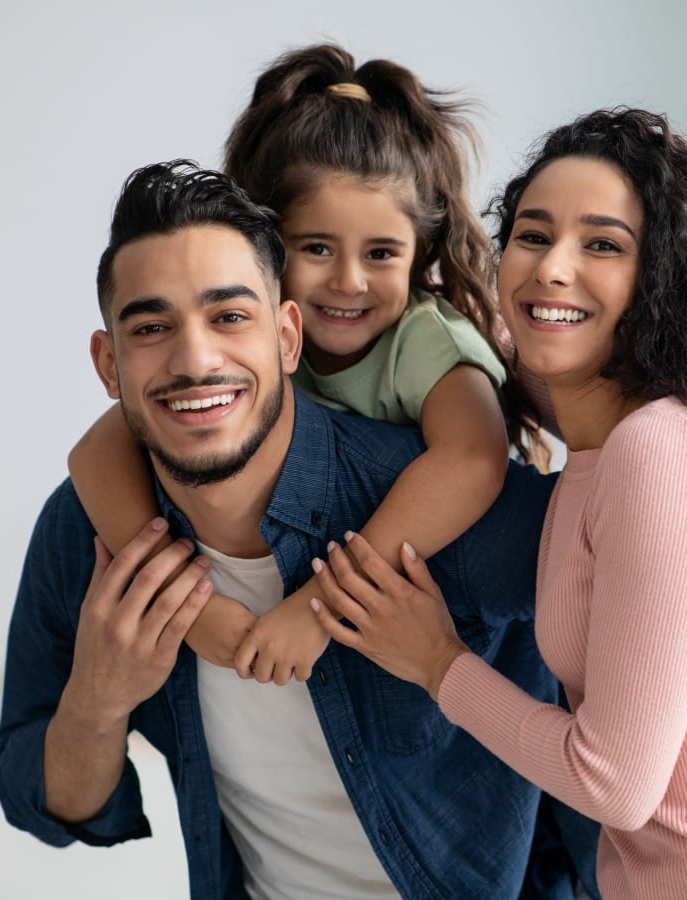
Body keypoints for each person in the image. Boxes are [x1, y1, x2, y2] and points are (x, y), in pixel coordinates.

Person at [310, 108, 687, 900]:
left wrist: (435, 661)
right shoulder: (608, 430)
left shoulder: (661, 449)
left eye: (602, 245)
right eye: (532, 234)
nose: (553, 267)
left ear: (660, 281)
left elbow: (612, 783)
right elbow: (496, 361)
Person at [0, 160, 569, 899]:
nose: (195, 359)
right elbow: (42, 804)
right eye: (151, 326)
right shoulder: (86, 534)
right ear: (109, 365)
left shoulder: (431, 507)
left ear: (288, 337)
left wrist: (440, 663)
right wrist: (100, 698)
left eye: (230, 317)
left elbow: (638, 578)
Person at [66, 44, 546, 684]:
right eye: (317, 247)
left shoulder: (425, 341)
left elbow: (472, 461)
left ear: (418, 253)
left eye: (381, 253)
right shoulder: (241, 344)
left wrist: (317, 610)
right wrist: (189, 605)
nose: (348, 282)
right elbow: (95, 454)